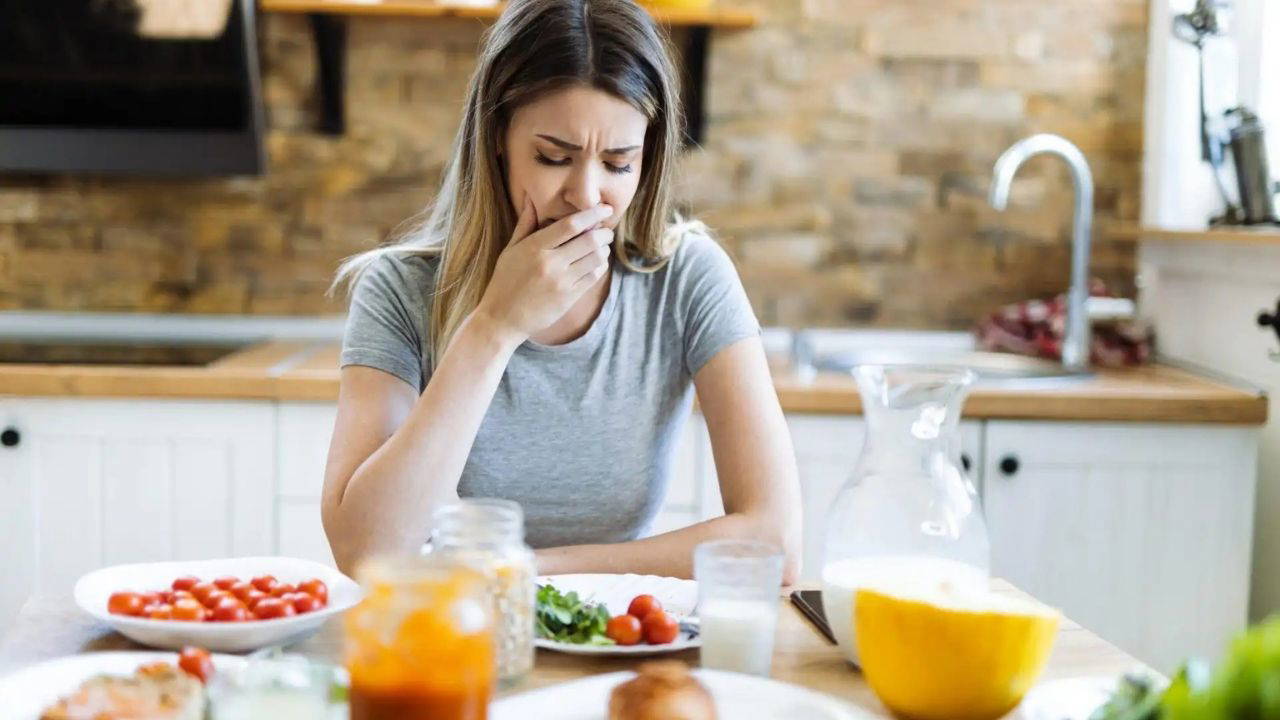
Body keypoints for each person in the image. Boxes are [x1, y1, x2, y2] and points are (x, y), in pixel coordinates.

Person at [322, 0, 802, 582]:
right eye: (554, 158)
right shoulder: (398, 289)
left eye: (619, 164)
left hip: (619, 639)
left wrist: (523, 571)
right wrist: (495, 327)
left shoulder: (687, 277)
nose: (587, 194)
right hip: (453, 640)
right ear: (498, 137)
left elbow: (775, 543)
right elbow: (366, 552)